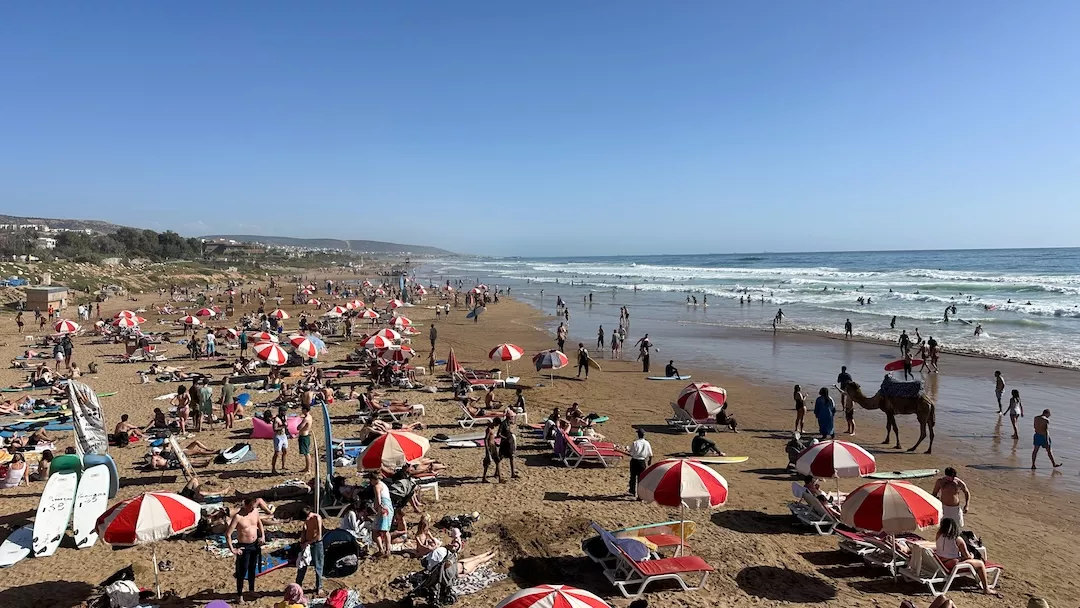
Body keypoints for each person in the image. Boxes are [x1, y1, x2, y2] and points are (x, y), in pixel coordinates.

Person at [934, 518, 1001, 597]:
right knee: (980, 564)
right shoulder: (958, 539)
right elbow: (967, 556)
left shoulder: (939, 535)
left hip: (941, 562)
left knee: (963, 559)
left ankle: (985, 587)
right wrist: (971, 556)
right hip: (953, 565)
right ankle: (986, 589)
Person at [226, 497, 266, 604]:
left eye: (254, 507)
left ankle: (251, 590)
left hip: (255, 545)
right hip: (243, 546)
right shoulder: (238, 517)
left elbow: (259, 523)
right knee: (242, 572)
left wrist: (263, 536)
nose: (252, 509)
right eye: (251, 507)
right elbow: (228, 534)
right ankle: (240, 595)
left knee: (252, 568)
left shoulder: (255, 511)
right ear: (246, 505)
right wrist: (232, 549)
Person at [295, 506, 324, 595]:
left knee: (318, 565)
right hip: (306, 543)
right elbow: (305, 530)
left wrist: (308, 542)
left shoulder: (317, 518)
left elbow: (319, 535)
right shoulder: (306, 521)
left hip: (316, 544)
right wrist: (302, 542)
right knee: (302, 565)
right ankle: (298, 585)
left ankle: (319, 587)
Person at [369, 470, 393, 557]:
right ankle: (388, 550)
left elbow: (378, 501)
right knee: (386, 530)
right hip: (389, 508)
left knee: (375, 530)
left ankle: (381, 549)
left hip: (383, 508)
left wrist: (375, 508)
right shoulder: (384, 485)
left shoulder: (377, 486)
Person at [627, 429, 652, 496]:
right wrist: (649, 461)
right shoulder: (647, 443)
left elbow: (631, 452)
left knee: (633, 477)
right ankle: (640, 494)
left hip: (635, 461)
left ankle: (632, 491)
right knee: (641, 479)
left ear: (638, 435)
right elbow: (650, 454)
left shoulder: (635, 443)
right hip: (642, 462)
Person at [296, 404, 314, 475]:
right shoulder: (309, 417)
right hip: (306, 435)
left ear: (305, 410)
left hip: (304, 436)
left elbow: (299, 427)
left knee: (306, 453)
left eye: (302, 410)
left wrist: (298, 425)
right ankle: (307, 468)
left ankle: (308, 469)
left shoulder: (306, 419)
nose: (301, 411)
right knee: (306, 453)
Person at [272, 406, 289, 474]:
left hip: (283, 436)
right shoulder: (276, 419)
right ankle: (273, 468)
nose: (285, 412)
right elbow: (274, 429)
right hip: (278, 436)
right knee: (277, 453)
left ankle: (283, 465)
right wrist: (283, 426)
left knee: (285, 451)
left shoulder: (285, 417)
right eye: (284, 411)